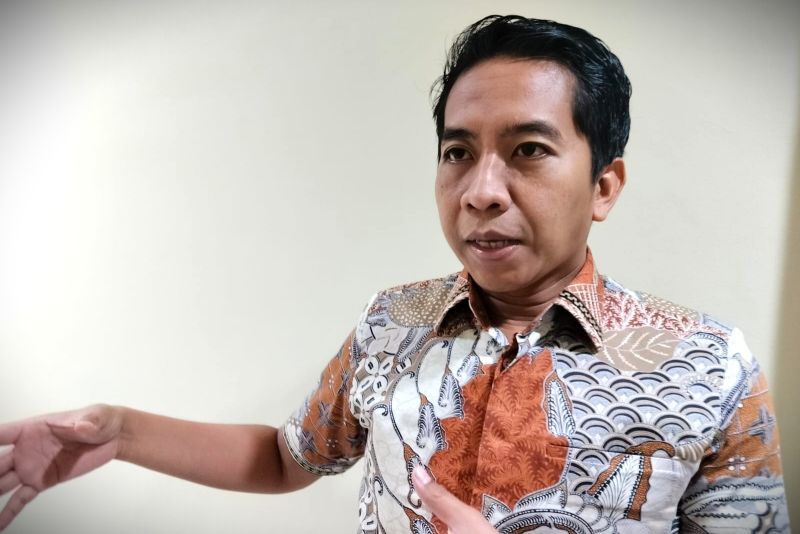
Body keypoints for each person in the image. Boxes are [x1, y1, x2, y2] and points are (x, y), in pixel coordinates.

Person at [0, 15, 789, 533]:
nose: (481, 190)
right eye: (458, 152)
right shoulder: (395, 320)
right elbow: (287, 458)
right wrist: (119, 432)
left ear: (605, 186)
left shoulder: (709, 364)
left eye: (529, 150)